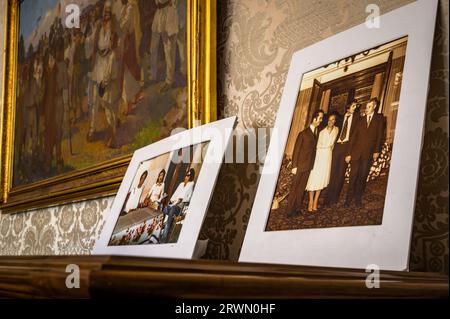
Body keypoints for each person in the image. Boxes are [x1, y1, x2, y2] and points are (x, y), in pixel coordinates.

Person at [90, 1, 121, 148]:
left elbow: (113, 48)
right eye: (105, 12)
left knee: (110, 104)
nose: (106, 14)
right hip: (99, 64)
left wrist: (105, 80)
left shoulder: (113, 29)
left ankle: (113, 136)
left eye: (108, 12)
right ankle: (111, 133)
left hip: (109, 63)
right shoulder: (99, 28)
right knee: (103, 102)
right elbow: (95, 45)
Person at [345, 98, 385, 207]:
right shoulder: (360, 120)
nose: (366, 109)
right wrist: (348, 153)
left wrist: (377, 151)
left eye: (369, 107)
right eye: (366, 107)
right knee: (353, 176)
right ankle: (348, 200)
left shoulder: (379, 119)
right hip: (356, 153)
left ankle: (358, 199)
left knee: (362, 177)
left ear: (374, 107)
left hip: (368, 154)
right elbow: (353, 138)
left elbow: (380, 136)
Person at [286, 110, 324, 217]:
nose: (320, 121)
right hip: (299, 166)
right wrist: (294, 166)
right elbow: (296, 150)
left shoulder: (316, 132)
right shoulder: (303, 133)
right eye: (320, 118)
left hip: (308, 166)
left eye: (321, 118)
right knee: (294, 188)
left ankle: (297, 209)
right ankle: (289, 211)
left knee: (301, 188)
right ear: (314, 119)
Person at [325, 100, 361, 206]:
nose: (355, 108)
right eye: (353, 106)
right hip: (336, 146)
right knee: (332, 173)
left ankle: (334, 199)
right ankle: (327, 199)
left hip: (346, 147)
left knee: (340, 174)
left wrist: (350, 153)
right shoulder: (340, 118)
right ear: (348, 107)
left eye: (356, 106)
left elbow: (356, 138)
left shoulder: (357, 119)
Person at [305, 114, 339, 212]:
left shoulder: (336, 130)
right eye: (329, 120)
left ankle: (316, 201)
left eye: (333, 120)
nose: (330, 122)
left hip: (328, 157)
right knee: (314, 178)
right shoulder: (321, 132)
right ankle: (311, 201)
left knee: (321, 180)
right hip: (319, 157)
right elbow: (317, 147)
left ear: (335, 121)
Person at [119, 0, 143, 116]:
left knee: (128, 73)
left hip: (128, 44)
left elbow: (125, 25)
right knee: (127, 73)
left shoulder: (130, 7)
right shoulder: (124, 8)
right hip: (125, 43)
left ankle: (128, 104)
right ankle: (131, 99)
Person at [149, 0, 179, 91]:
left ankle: (169, 80)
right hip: (158, 14)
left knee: (169, 50)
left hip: (169, 14)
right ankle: (153, 76)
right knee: (153, 47)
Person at [161, 168, 195, 243]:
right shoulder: (181, 184)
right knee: (165, 208)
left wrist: (181, 199)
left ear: (191, 176)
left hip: (180, 207)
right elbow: (174, 195)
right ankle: (160, 229)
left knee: (172, 209)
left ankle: (164, 236)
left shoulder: (191, 184)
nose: (186, 177)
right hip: (174, 204)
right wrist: (172, 200)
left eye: (188, 175)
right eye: (186, 175)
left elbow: (189, 198)